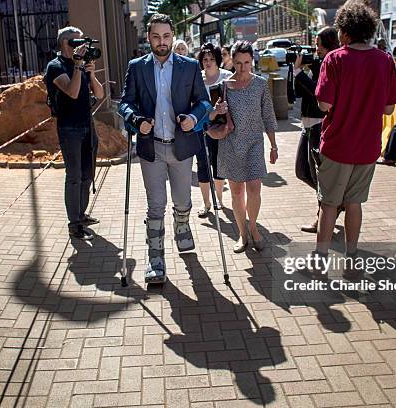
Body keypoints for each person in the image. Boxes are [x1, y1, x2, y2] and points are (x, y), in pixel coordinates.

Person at [119, 14, 210, 283]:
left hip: (181, 148)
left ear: (172, 36)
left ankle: (182, 225)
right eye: (156, 36)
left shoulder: (189, 66)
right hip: (152, 149)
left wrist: (193, 118)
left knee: (182, 201)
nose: (162, 42)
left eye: (166, 36)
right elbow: (125, 103)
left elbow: (204, 103)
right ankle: (155, 260)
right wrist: (136, 120)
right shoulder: (137, 67)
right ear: (149, 38)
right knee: (155, 206)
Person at [314, 0, 396, 269]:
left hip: (338, 144)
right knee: (354, 203)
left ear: (345, 31)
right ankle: (352, 256)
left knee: (328, 204)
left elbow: (324, 104)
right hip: (367, 147)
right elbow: (388, 108)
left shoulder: (335, 59)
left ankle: (320, 257)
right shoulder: (384, 60)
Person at [217, 40, 278, 253]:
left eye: (247, 62)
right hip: (231, 144)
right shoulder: (225, 86)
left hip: (254, 143)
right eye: (238, 63)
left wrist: (273, 145)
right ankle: (242, 233)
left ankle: (253, 228)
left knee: (254, 189)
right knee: (236, 192)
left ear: (252, 60)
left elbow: (268, 116)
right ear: (232, 62)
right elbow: (214, 116)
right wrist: (218, 109)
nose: (243, 67)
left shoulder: (260, 84)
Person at [44, 26, 104, 240]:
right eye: (76, 42)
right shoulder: (55, 66)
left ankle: (81, 214)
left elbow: (99, 94)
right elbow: (72, 91)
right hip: (69, 129)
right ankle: (74, 224)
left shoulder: (82, 65)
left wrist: (91, 72)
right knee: (75, 177)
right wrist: (78, 67)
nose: (81, 46)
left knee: (88, 175)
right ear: (65, 43)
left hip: (88, 125)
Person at [293, 26, 340, 233]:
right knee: (301, 171)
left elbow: (317, 93)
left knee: (317, 174)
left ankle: (323, 214)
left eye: (318, 45)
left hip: (319, 124)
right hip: (307, 124)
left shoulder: (330, 65)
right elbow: (298, 93)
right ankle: (335, 203)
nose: (315, 49)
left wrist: (298, 73)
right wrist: (297, 71)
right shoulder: (317, 64)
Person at [196, 43, 232, 217]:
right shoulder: (197, 79)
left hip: (222, 129)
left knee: (220, 164)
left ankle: (219, 200)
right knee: (202, 164)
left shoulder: (227, 77)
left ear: (218, 59)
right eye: (205, 59)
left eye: (211, 58)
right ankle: (206, 203)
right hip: (202, 128)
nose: (208, 62)